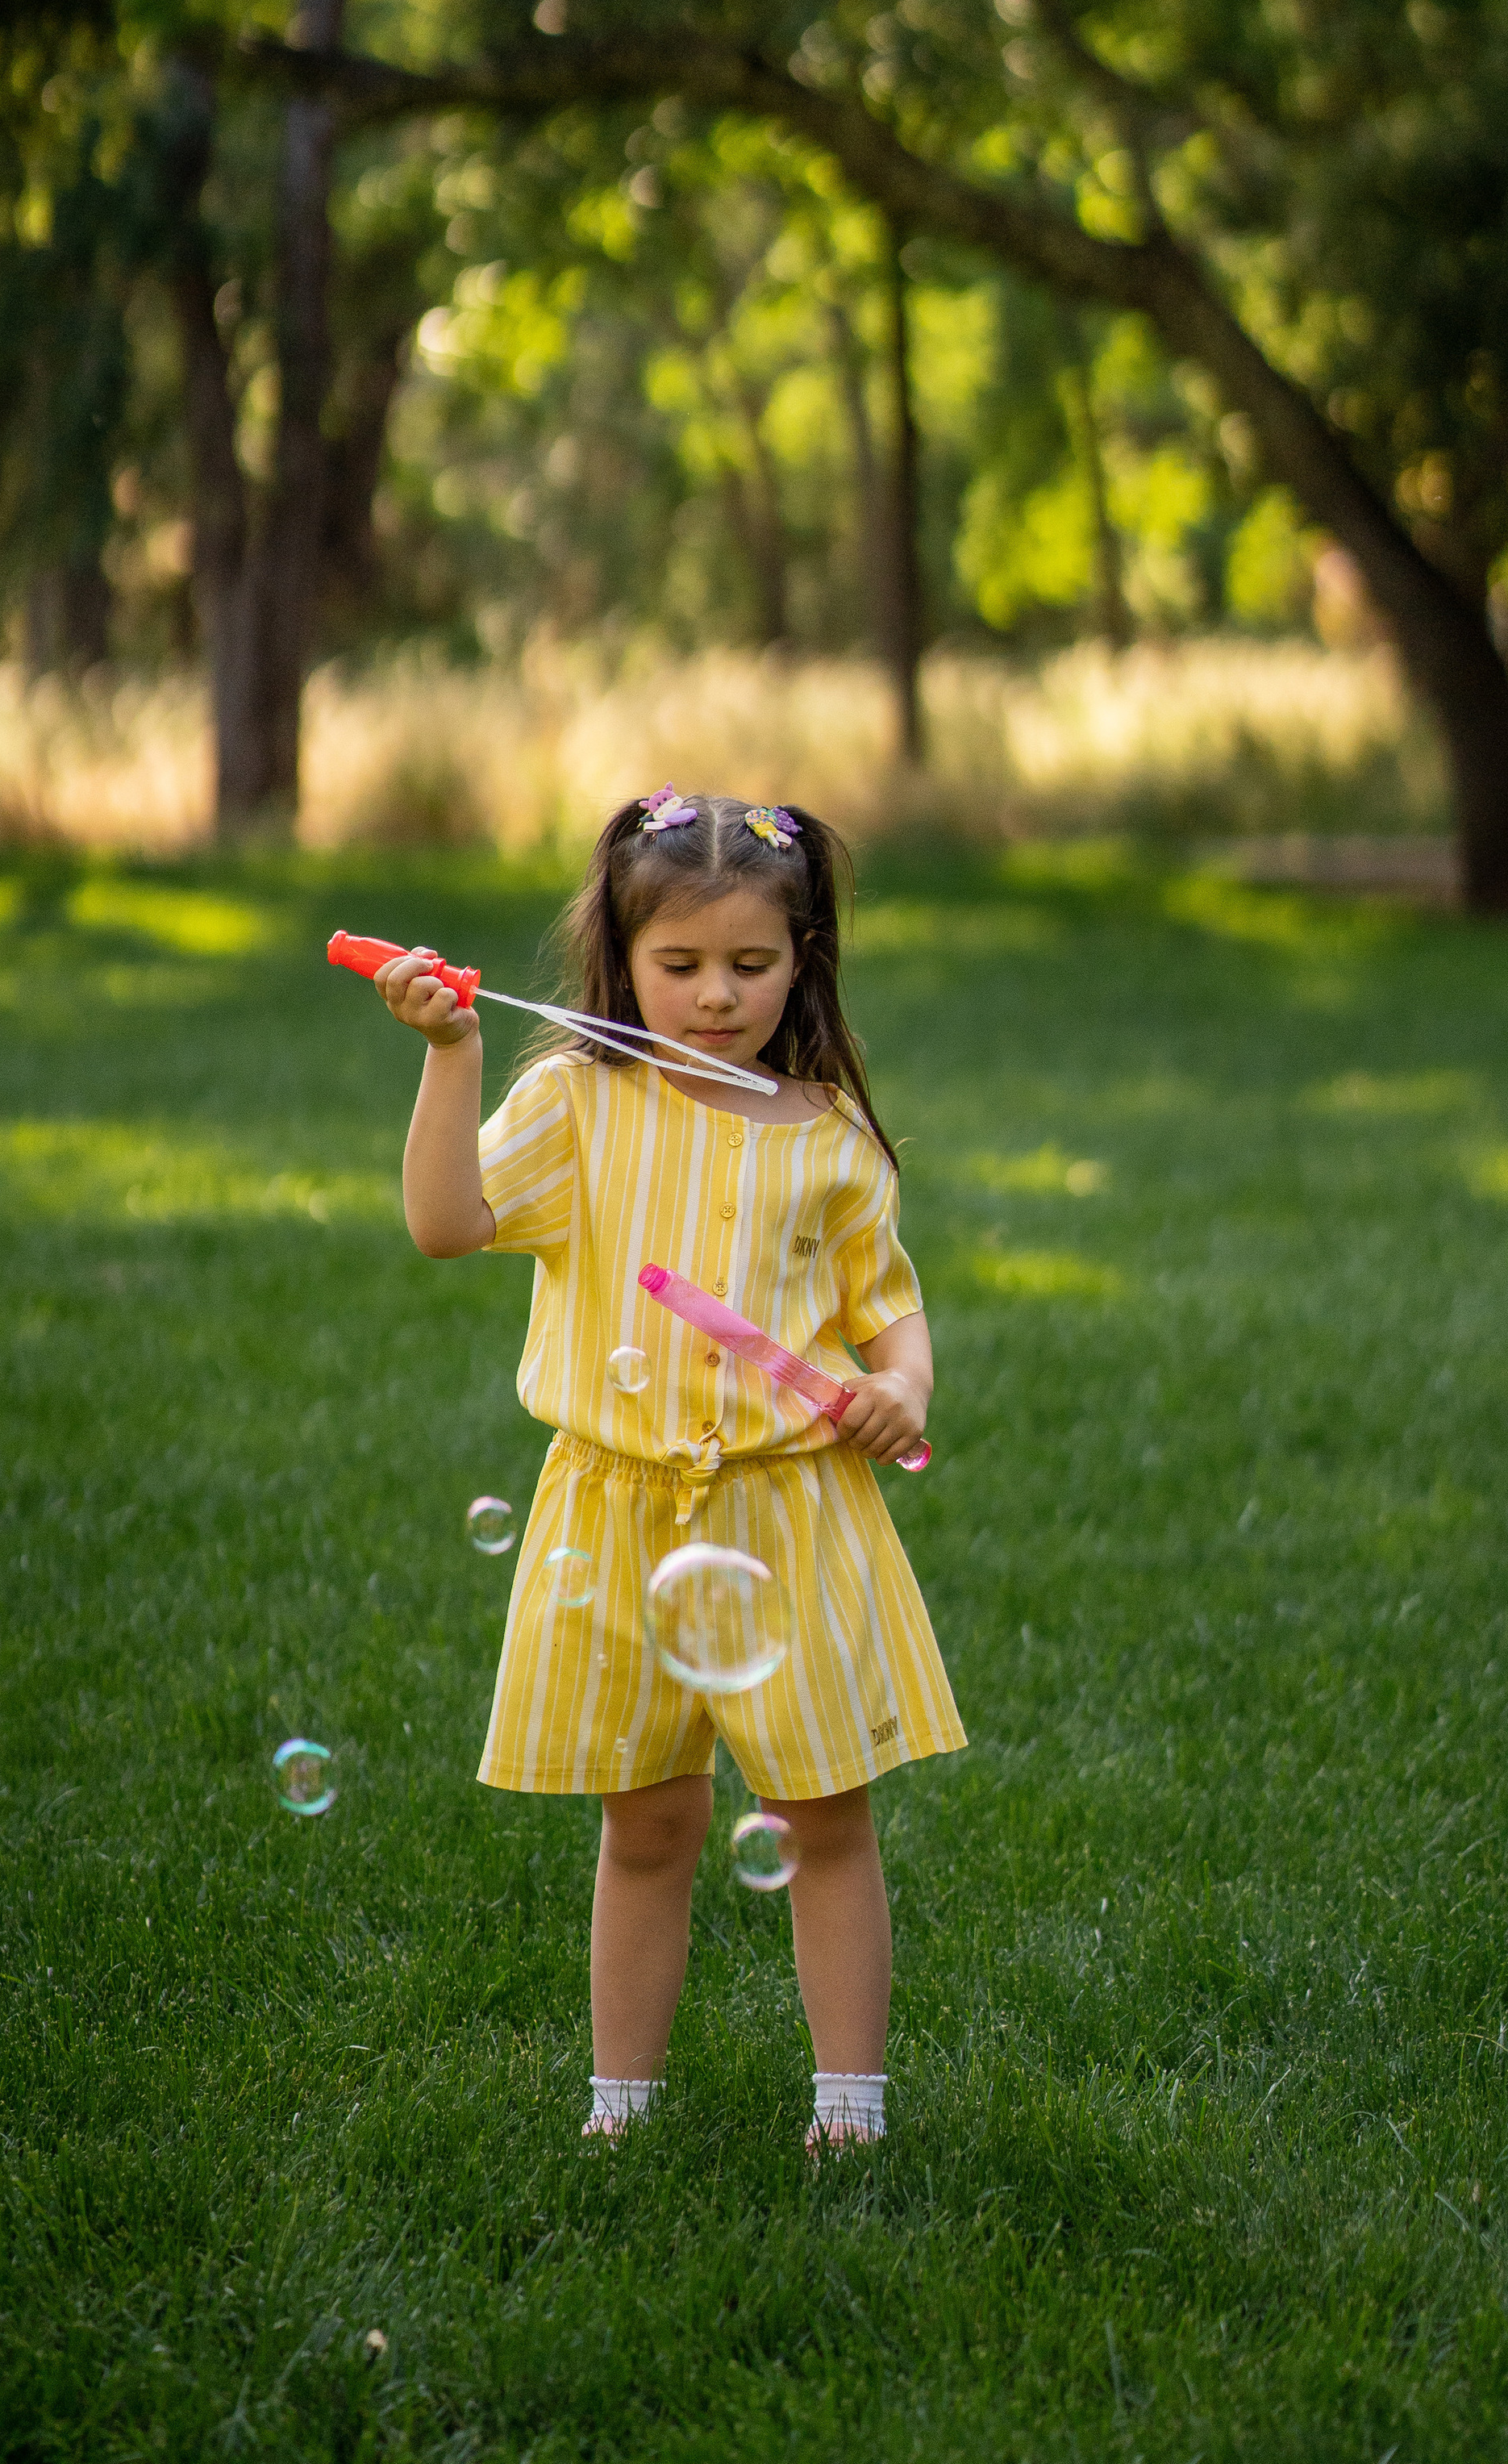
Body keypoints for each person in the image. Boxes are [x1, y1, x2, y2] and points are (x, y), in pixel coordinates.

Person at [373, 786, 964, 2154]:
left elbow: (890, 1305)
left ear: (802, 960)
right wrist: (452, 1053)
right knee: (646, 1823)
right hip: (617, 1507)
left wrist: (903, 1386)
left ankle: (851, 2115)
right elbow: (445, 1223)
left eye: (751, 967)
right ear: (620, 963)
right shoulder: (578, 1101)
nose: (714, 997)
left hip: (790, 1508)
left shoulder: (827, 1136)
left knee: (824, 1819)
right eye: (680, 967)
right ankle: (621, 2109)